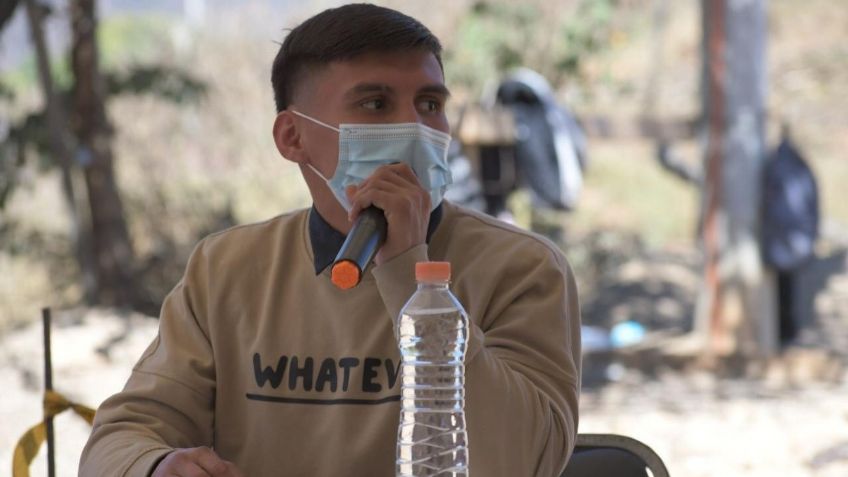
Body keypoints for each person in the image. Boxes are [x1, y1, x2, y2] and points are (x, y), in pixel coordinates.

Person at [79, 4, 581, 476]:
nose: (415, 127)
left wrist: (410, 272)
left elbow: (528, 458)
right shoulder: (227, 268)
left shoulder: (524, 268)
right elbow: (120, 438)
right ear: (292, 138)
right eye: (376, 103)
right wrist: (155, 465)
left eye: (430, 104)